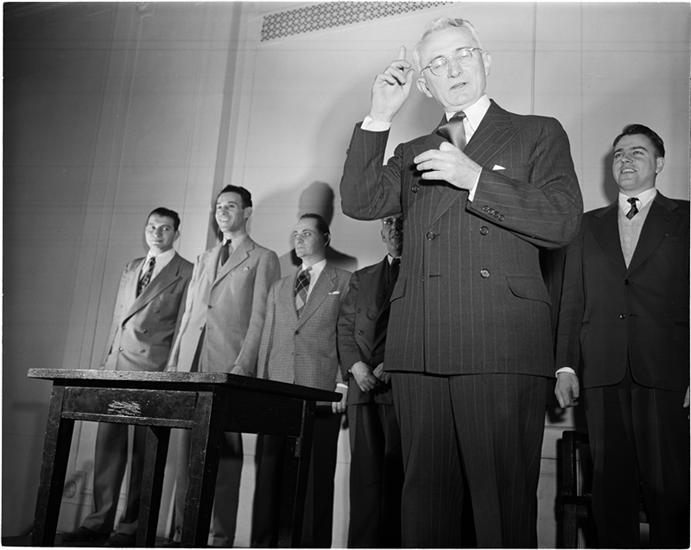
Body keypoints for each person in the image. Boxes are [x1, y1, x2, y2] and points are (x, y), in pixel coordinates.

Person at [339, 17, 583, 547]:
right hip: (419, 349)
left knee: (500, 514)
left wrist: (474, 178)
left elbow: (563, 220)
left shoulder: (538, 132)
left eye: (463, 54)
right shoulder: (412, 150)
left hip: (500, 345)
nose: (453, 69)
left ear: (485, 60)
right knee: (425, 515)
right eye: (437, 63)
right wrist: (380, 116)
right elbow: (358, 201)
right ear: (425, 85)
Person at [554, 124, 689, 548]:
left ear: (659, 164)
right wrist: (565, 366)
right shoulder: (584, 226)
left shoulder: (686, 218)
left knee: (669, 489)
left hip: (666, 373)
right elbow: (571, 299)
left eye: (637, 153)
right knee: (610, 491)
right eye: (618, 154)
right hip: (602, 372)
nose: (625, 160)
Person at [62, 207, 193, 546]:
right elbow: (118, 318)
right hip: (116, 367)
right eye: (152, 227)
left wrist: (172, 371)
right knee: (108, 447)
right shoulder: (132, 267)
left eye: (165, 228)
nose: (157, 233)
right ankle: (98, 522)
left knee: (144, 453)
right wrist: (106, 360)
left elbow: (182, 327)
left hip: (153, 369)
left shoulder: (186, 271)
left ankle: (131, 527)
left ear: (176, 234)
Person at [167, 185, 280, 546]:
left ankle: (218, 537)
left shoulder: (263, 258)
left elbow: (260, 319)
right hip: (192, 366)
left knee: (225, 456)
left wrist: (242, 367)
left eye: (230, 206)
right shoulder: (204, 258)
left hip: (228, 368)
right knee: (185, 454)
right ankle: (183, 533)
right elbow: (188, 316)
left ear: (247, 212)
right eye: (218, 206)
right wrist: (174, 365)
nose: (222, 212)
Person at [251, 213, 350, 548]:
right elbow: (267, 340)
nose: (299, 239)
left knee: (315, 477)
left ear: (326, 238)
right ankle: (264, 543)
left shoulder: (344, 281)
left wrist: (342, 384)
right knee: (270, 476)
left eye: (307, 233)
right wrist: (261, 386)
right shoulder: (279, 286)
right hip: (277, 392)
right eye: (296, 234)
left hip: (320, 391)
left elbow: (347, 335)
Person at [337, 215, 404, 548]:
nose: (395, 229)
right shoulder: (361, 277)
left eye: (401, 222)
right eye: (389, 222)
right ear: (381, 232)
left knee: (398, 479)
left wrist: (396, 361)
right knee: (364, 479)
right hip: (362, 389)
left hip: (401, 389)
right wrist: (356, 367)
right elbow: (345, 328)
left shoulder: (425, 273)